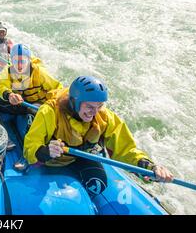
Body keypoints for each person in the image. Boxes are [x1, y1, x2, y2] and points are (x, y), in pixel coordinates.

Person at [23, 75, 174, 198]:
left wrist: (149, 167)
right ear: (74, 101)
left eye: (99, 106)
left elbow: (126, 149)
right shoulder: (49, 112)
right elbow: (30, 146)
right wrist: (45, 151)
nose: (94, 112)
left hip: (82, 156)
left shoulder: (104, 116)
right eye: (89, 106)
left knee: (99, 184)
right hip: (52, 160)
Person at [0, 44, 63, 171]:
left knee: (32, 116)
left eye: (23, 61)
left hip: (37, 106)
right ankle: (5, 138)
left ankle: (26, 156)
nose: (19, 65)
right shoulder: (7, 71)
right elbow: (2, 88)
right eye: (15, 61)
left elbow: (57, 89)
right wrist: (10, 95)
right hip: (19, 103)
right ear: (11, 60)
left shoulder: (40, 72)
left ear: (29, 60)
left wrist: (46, 106)